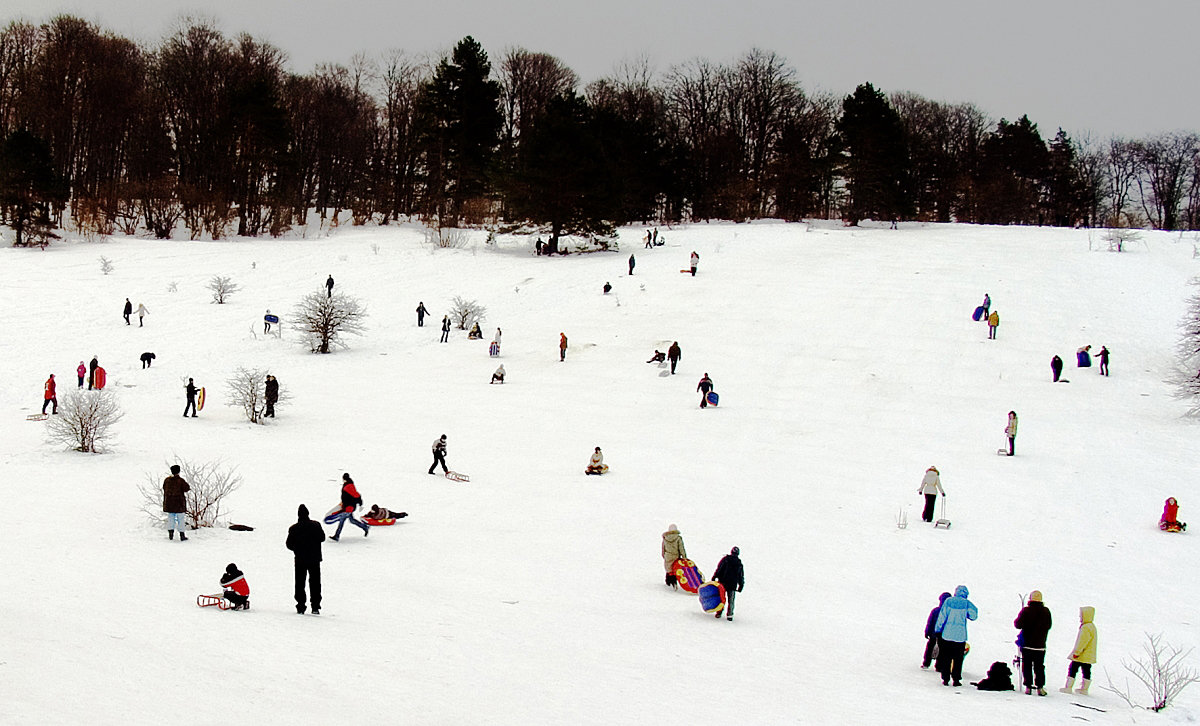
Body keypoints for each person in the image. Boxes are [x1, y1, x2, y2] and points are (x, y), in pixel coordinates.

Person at [934, 585, 977, 687]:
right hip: (960, 636)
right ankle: (956, 679)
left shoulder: (949, 601)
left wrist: (938, 629)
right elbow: (974, 616)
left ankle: (945, 678)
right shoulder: (967, 604)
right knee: (958, 659)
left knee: (946, 658)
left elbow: (942, 616)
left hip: (947, 635)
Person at [286, 504, 325, 614]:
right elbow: (322, 538)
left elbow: (289, 544)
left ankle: (301, 605)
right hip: (315, 559)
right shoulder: (316, 525)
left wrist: (297, 549)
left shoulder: (293, 528)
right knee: (315, 583)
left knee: (299, 583)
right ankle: (315, 606)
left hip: (300, 560)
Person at [1014, 590, 1052, 695]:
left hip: (1027, 645)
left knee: (1026, 665)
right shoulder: (1046, 611)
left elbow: (1017, 625)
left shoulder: (1026, 610)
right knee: (1039, 666)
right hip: (1040, 645)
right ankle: (1040, 687)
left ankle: (1028, 687)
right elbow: (1049, 626)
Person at [1060, 606, 1097, 695]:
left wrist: (1076, 652)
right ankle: (1084, 688)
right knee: (1086, 670)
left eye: (1081, 616)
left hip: (1081, 654)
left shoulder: (1085, 628)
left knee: (1073, 668)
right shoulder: (1092, 626)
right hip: (1088, 655)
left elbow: (1082, 642)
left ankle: (1068, 687)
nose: (1080, 618)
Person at [330, 472, 369, 541]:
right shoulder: (348, 484)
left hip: (349, 508)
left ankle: (336, 536)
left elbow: (356, 495)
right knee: (352, 520)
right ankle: (365, 527)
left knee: (342, 521)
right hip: (348, 506)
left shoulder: (348, 486)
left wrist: (360, 502)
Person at [712, 547, 744, 621]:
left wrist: (714, 576)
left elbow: (719, 568)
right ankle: (730, 615)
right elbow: (741, 575)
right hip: (732, 584)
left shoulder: (725, 559)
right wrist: (741, 585)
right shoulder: (739, 563)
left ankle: (719, 612)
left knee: (721, 598)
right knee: (731, 600)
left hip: (723, 582)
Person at [922, 592, 952, 668]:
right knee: (942, 650)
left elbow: (930, 622)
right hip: (944, 635)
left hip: (933, 634)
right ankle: (939, 665)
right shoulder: (949, 612)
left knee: (929, 649)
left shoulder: (935, 610)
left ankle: (926, 663)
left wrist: (927, 632)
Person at [162, 464, 190, 541]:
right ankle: (182, 535)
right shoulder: (180, 481)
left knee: (171, 518)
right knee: (180, 519)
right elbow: (187, 488)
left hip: (169, 503)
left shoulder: (167, 480)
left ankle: (171, 534)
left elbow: (164, 488)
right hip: (179, 503)